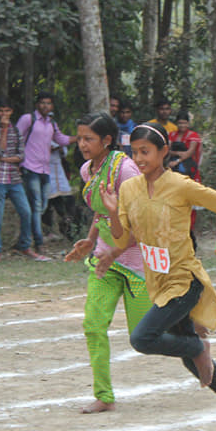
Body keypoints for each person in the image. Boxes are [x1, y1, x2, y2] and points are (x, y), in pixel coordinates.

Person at [100, 122, 216, 431]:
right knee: (191, 362)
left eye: (146, 151)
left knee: (142, 338)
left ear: (164, 152)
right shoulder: (129, 189)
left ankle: (197, 345)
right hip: (158, 283)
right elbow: (125, 235)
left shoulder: (180, 185)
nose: (140, 158)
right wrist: (110, 235)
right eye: (135, 153)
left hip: (184, 281)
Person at [65, 112, 152, 413]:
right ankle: (104, 395)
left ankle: (190, 335)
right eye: (79, 138)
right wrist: (91, 241)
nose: (82, 144)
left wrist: (115, 251)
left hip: (137, 263)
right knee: (93, 325)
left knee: (146, 337)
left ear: (106, 140)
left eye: (88, 139)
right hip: (104, 260)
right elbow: (102, 212)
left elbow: (142, 224)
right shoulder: (88, 170)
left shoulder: (126, 170)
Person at [0, 99, 45, 262]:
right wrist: (3, 130)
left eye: (7, 111)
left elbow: (20, 156)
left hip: (14, 178)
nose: (4, 114)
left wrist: (5, 158)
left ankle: (25, 245)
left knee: (26, 212)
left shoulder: (16, 131)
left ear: (11, 112)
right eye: (1, 111)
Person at [16, 92, 76, 255]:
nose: (45, 106)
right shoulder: (28, 119)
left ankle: (24, 240)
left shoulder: (52, 123)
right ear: (37, 105)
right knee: (36, 206)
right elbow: (16, 137)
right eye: (42, 103)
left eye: (48, 103)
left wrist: (80, 137)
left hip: (45, 169)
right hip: (30, 167)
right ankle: (39, 244)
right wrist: (17, 161)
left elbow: (61, 139)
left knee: (40, 206)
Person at [42, 142, 80, 242]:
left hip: (60, 174)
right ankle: (48, 231)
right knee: (48, 205)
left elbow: (64, 153)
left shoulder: (57, 138)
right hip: (46, 173)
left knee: (67, 203)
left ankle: (71, 229)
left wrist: (59, 148)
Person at [167, 110, 202, 183]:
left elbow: (189, 153)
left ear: (188, 124)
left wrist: (176, 161)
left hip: (188, 166)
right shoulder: (172, 135)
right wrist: (178, 153)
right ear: (176, 123)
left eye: (184, 123)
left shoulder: (193, 136)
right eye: (180, 123)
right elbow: (167, 150)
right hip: (172, 166)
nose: (182, 125)